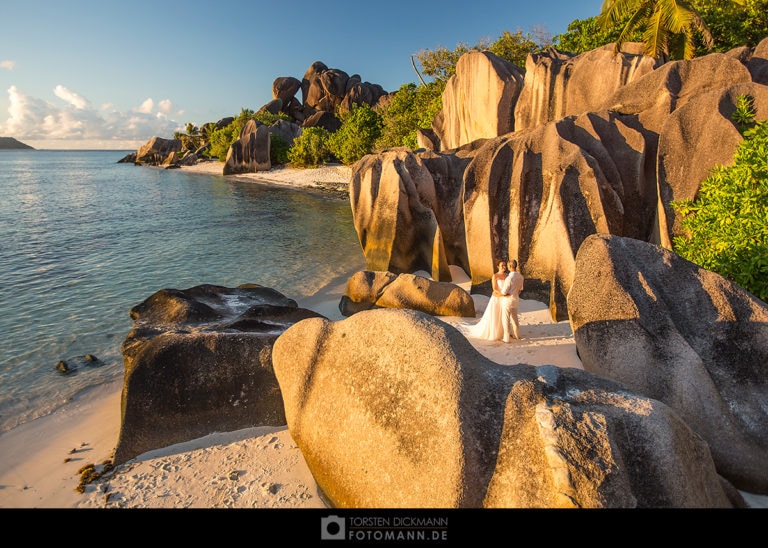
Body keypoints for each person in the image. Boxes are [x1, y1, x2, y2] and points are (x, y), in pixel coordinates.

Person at [465, 259, 509, 341]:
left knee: (504, 315)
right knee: (495, 315)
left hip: (505, 299)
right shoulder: (495, 276)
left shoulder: (507, 276)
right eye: (502, 265)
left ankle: (504, 332)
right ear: (498, 267)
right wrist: (503, 294)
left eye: (505, 265)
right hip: (497, 298)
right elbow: (495, 289)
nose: (504, 267)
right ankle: (495, 333)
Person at [499, 259, 524, 342]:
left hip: (507, 301)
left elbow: (504, 292)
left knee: (505, 318)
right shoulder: (521, 277)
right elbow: (520, 289)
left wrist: (504, 294)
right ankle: (517, 335)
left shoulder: (509, 278)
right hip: (516, 300)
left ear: (510, 266)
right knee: (515, 318)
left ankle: (506, 338)